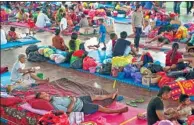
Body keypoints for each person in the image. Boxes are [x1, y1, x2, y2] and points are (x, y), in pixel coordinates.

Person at [35, 89, 128, 114]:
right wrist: (72, 101)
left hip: (78, 100)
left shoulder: (53, 97)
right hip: (80, 107)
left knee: (94, 96)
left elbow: (64, 100)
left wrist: (70, 97)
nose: (47, 95)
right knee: (99, 108)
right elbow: (68, 112)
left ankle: (110, 95)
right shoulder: (54, 104)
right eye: (44, 96)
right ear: (43, 100)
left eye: (45, 93)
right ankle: (118, 111)